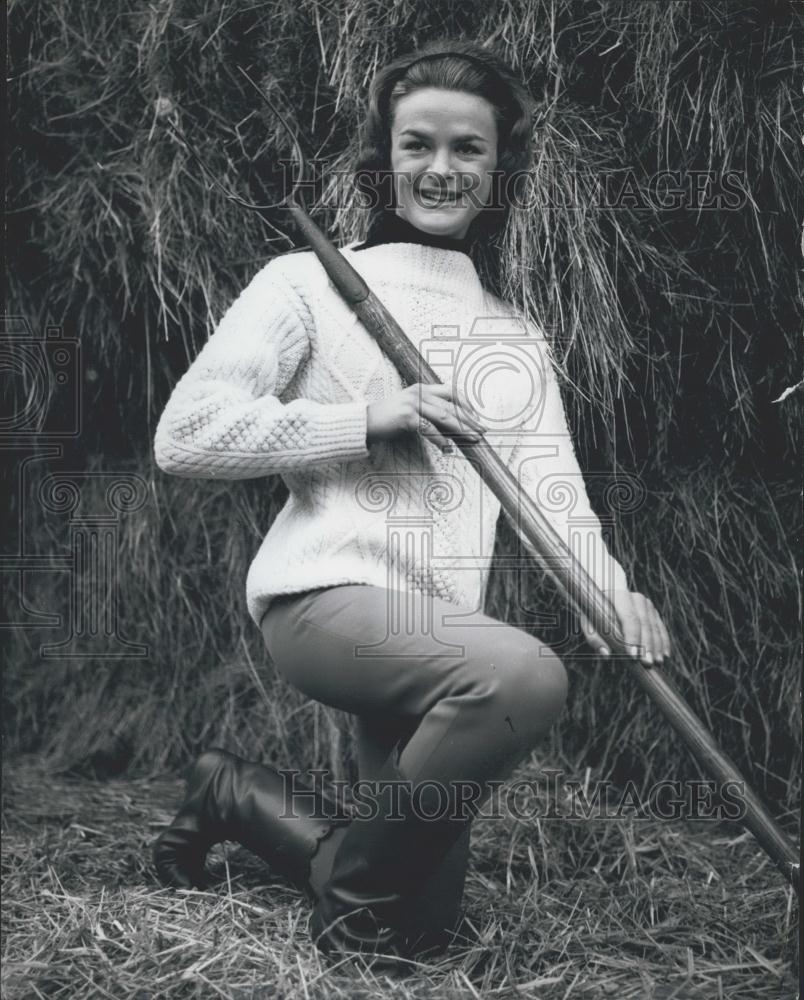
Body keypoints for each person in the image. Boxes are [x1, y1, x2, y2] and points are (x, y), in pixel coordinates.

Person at [151, 39, 671, 963]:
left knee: (418, 930)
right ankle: (344, 913)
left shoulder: (514, 333)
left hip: (436, 639)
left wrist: (612, 600)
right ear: (383, 156)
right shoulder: (305, 283)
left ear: (497, 167)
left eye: (467, 149)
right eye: (417, 144)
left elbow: (557, 500)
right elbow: (185, 435)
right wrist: (367, 418)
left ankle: (235, 798)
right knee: (522, 676)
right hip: (327, 607)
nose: (440, 168)